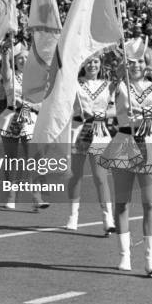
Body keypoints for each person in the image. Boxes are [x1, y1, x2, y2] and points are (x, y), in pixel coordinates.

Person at [99, 38, 152, 277]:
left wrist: (147, 111)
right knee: (122, 203)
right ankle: (124, 256)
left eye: (141, 61)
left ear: (148, 64)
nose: (136, 65)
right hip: (124, 142)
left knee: (150, 204)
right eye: (132, 62)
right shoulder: (119, 86)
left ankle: (150, 259)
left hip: (150, 143)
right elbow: (108, 99)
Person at [0, 41, 46, 210]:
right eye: (20, 58)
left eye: (26, 58)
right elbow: (5, 73)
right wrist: (6, 55)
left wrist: (29, 105)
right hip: (11, 118)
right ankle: (11, 195)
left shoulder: (37, 80)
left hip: (30, 119)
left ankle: (37, 198)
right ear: (15, 61)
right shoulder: (11, 77)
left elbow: (42, 103)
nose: (23, 61)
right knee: (11, 160)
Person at [66, 55, 115, 234]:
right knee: (75, 176)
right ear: (82, 64)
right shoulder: (73, 83)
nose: (92, 65)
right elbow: (64, 105)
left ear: (100, 63)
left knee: (100, 177)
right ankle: (73, 216)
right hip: (78, 131)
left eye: (95, 61)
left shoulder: (108, 85)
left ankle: (107, 218)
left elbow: (115, 108)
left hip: (99, 132)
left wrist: (103, 113)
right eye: (88, 61)